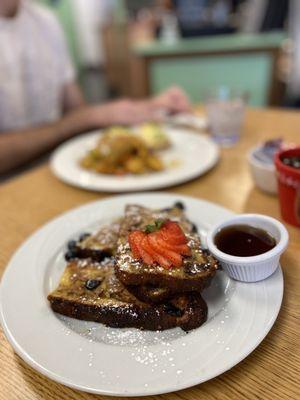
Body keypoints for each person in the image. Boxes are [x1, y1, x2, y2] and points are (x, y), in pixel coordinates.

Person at [0, 0, 190, 175]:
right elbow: (79, 120)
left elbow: (77, 111)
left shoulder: (45, 22)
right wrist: (86, 118)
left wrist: (145, 110)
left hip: (51, 173)